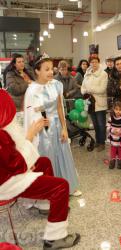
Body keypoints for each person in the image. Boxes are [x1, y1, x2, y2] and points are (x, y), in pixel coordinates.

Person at [0, 89, 80, 249]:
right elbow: (16, 165)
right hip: (7, 183)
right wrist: (30, 135)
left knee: (43, 162)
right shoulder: (2, 134)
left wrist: (28, 157)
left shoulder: (5, 130)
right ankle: (55, 238)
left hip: (8, 173)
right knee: (61, 186)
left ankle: (46, 206)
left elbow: (13, 159)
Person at [24, 55, 81, 197]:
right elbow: (31, 113)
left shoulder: (56, 84)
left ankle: (69, 185)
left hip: (57, 126)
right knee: (48, 158)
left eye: (52, 69)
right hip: (42, 132)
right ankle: (50, 191)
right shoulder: (32, 90)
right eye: (46, 69)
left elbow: (60, 107)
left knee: (63, 154)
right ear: (37, 71)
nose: (51, 72)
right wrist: (40, 122)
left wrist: (64, 127)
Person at [81, 56, 108, 152]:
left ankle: (102, 143)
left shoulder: (103, 74)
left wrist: (89, 90)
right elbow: (83, 88)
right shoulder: (87, 74)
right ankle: (97, 141)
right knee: (95, 124)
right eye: (92, 62)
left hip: (100, 103)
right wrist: (85, 91)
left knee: (101, 124)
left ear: (99, 62)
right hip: (90, 103)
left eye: (96, 62)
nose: (94, 64)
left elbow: (102, 89)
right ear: (90, 63)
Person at [107, 101, 121, 169]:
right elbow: (107, 126)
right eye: (116, 109)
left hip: (120, 138)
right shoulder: (111, 118)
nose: (118, 111)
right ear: (113, 109)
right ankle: (113, 160)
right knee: (113, 149)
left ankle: (120, 161)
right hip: (113, 137)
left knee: (120, 149)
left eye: (120, 110)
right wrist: (112, 130)